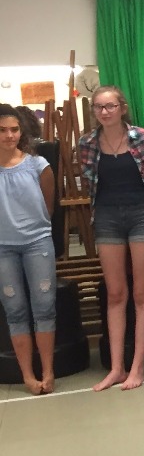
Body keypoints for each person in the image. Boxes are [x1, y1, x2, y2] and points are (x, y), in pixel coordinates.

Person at [79, 85, 144, 392]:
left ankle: (137, 366)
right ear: (94, 112)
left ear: (122, 108)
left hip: (143, 214)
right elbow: (90, 183)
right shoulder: (87, 143)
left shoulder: (143, 137)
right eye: (98, 107)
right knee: (115, 294)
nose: (104, 112)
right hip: (107, 217)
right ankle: (117, 367)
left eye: (110, 106)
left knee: (142, 293)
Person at [0, 104, 57, 395]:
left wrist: (36, 228)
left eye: (14, 129)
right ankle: (27, 375)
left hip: (37, 243)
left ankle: (48, 371)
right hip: (3, 249)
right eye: (2, 130)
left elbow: (48, 205)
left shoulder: (37, 165)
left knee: (44, 307)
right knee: (15, 310)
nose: (9, 135)